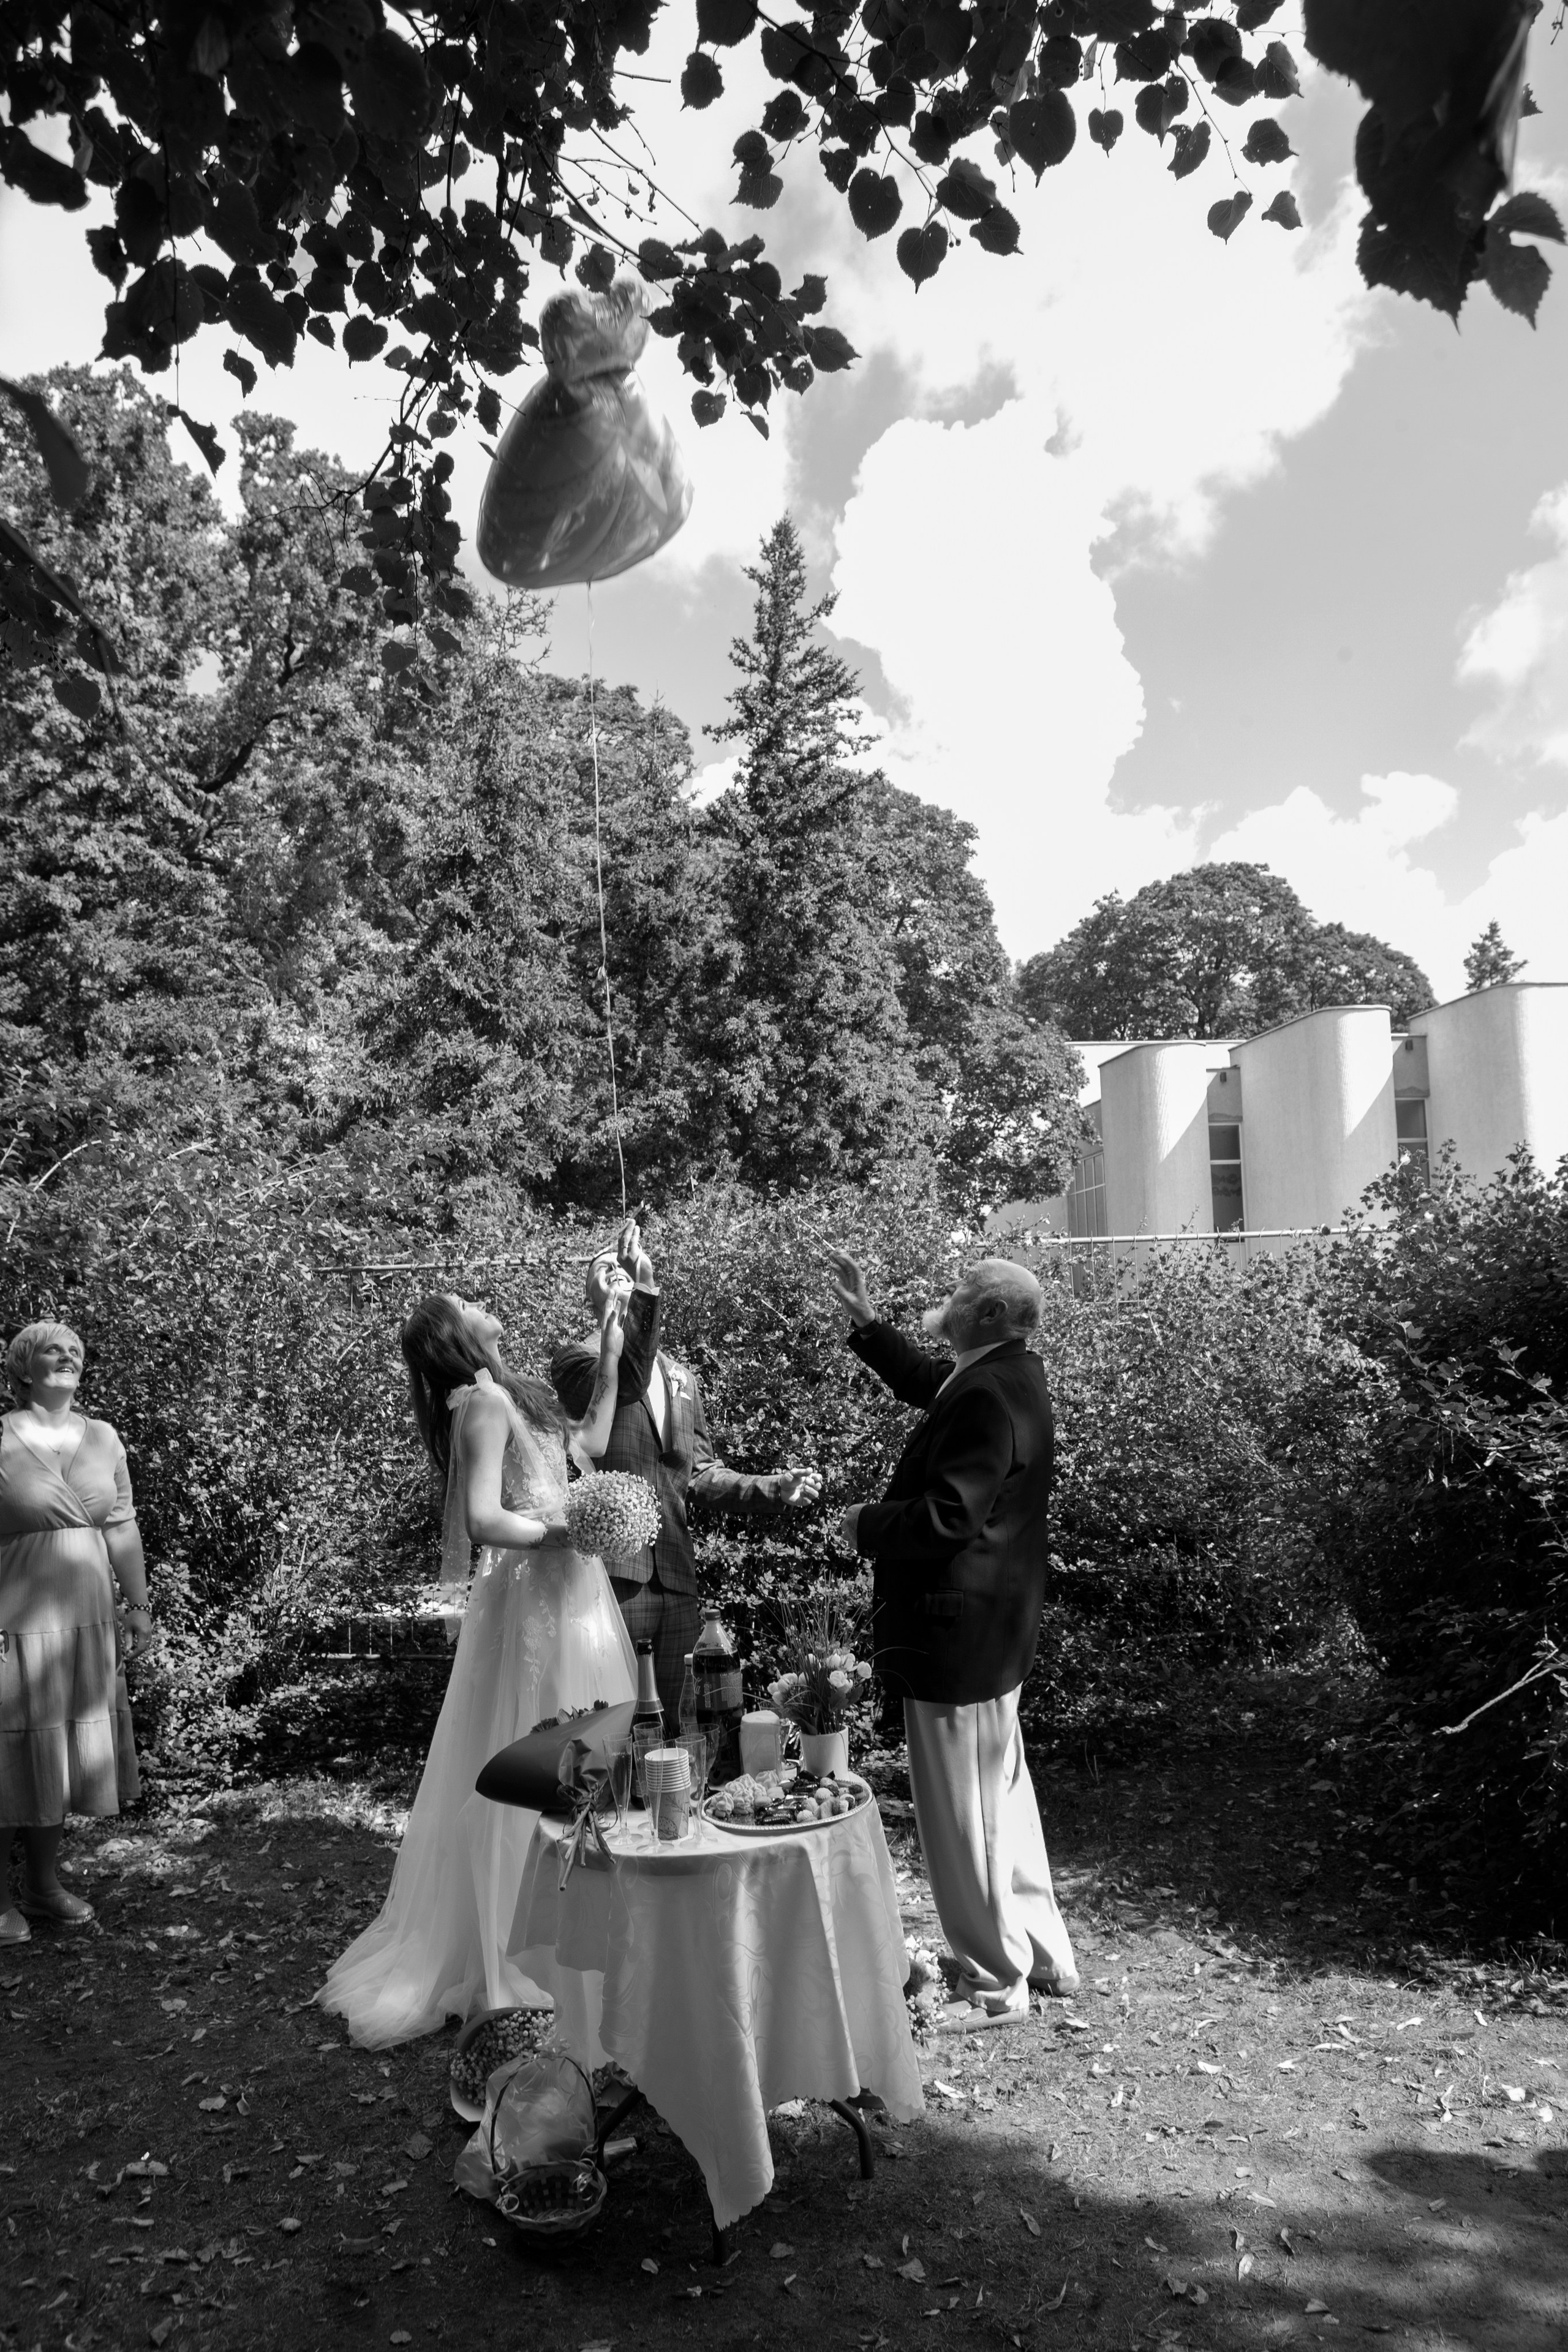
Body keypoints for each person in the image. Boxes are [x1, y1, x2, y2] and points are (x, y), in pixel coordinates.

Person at [318, 1280, 632, 2047]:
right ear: (453, 1334)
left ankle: (574, 1932)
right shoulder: (481, 1404)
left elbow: (588, 1444)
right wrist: (566, 1533)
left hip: (569, 1593)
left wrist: (612, 1339)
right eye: (467, 1302)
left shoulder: (508, 1394)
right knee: (536, 1763)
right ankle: (514, 1961)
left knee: (575, 1756)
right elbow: (483, 1519)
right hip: (537, 1597)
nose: (485, 1301)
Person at [827, 1250, 1079, 2017]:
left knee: (962, 1821)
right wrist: (867, 1321)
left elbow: (948, 1517)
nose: (951, 1294)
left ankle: (995, 1983)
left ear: (994, 1314)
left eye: (966, 1291)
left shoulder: (985, 1393)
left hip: (955, 1640)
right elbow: (929, 1386)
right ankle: (1041, 1956)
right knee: (1003, 1802)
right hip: (989, 1638)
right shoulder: (1006, 1375)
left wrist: (863, 1523)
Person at [551, 1217, 821, 1724]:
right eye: (603, 1267)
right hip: (610, 1573)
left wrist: (773, 1488)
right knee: (610, 1719)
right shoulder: (576, 1361)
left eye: (623, 1266)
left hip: (675, 1576)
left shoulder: (682, 1378)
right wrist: (646, 1291)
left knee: (677, 1720)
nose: (617, 1270)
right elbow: (624, 1383)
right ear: (587, 1293)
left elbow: (699, 1472)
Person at [1, 1321, 149, 1945]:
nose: (67, 1357)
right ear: (23, 1367)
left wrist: (138, 1605)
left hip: (87, 1618)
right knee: (7, 1751)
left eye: (77, 1351)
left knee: (57, 1751)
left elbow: (120, 1525)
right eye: (52, 1350)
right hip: (14, 1618)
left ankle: (42, 1883)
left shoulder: (105, 1436)